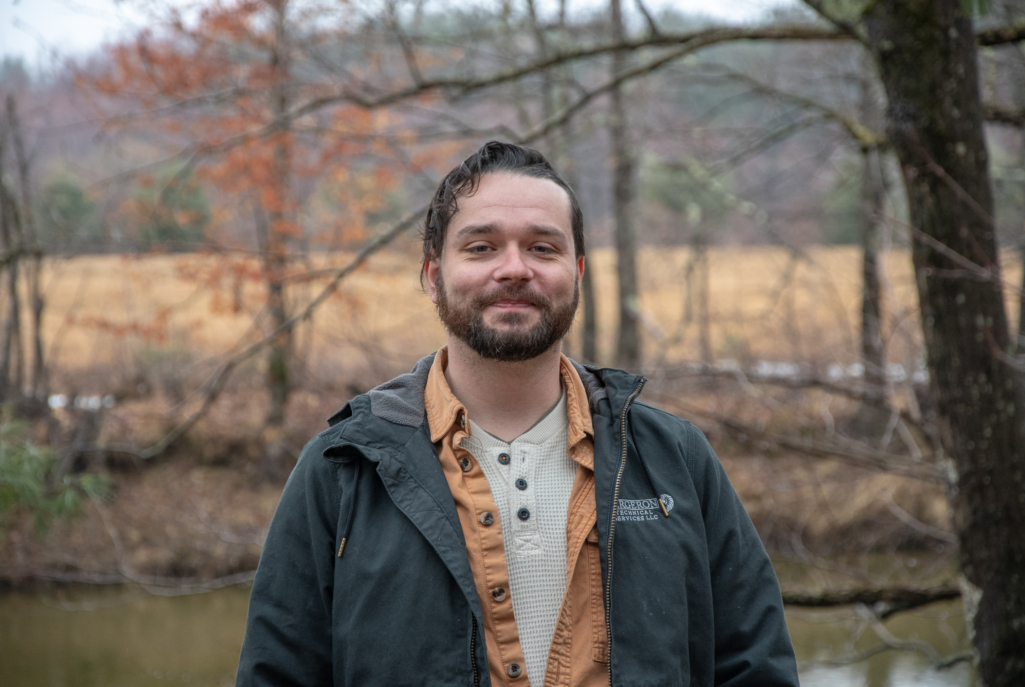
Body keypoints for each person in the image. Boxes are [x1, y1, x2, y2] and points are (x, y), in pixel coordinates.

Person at [235, 141, 799, 687]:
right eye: (481, 247)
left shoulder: (674, 459)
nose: (514, 268)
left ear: (577, 271)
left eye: (542, 248)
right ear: (432, 276)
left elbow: (756, 667)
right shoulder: (342, 470)